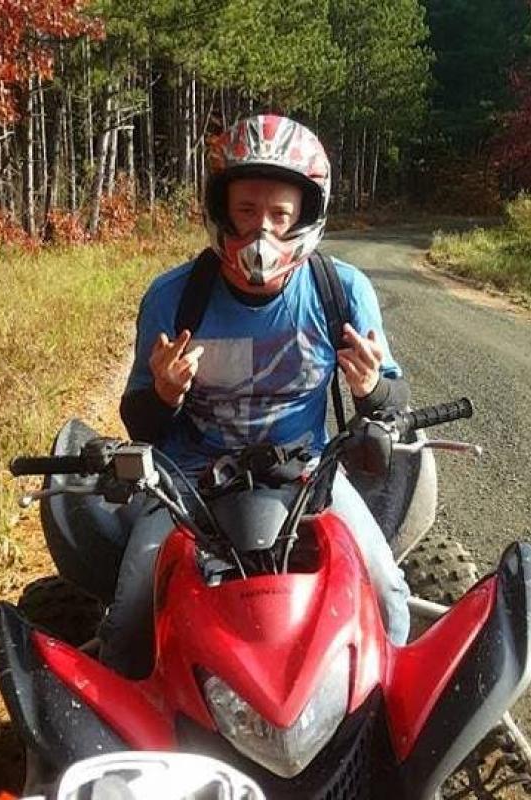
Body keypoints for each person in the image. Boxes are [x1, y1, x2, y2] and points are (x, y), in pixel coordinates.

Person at [102, 114, 410, 679]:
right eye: (246, 212)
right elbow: (139, 422)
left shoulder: (342, 291)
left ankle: (373, 721)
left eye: (279, 215)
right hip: (192, 481)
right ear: (220, 210)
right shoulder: (173, 297)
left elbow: (393, 400)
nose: (261, 234)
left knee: (388, 599)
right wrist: (165, 394)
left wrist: (371, 390)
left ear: (307, 216)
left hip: (307, 476)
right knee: (128, 618)